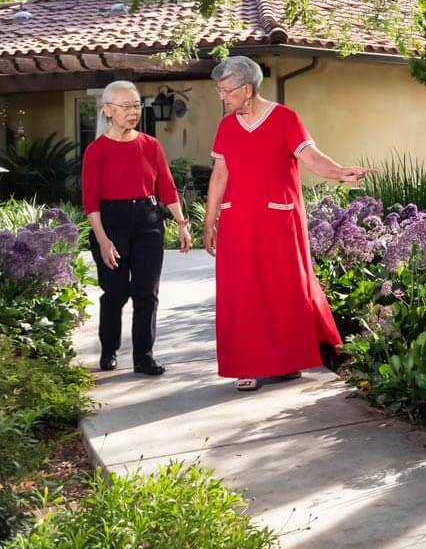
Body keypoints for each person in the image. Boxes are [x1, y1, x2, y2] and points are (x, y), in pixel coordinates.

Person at [203, 56, 365, 391]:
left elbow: (311, 157)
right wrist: (209, 220)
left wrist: (339, 172)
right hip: (238, 221)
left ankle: (287, 361)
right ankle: (244, 366)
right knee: (241, 291)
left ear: (247, 89)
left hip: (279, 219)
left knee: (284, 289)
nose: (222, 97)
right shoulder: (226, 126)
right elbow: (220, 175)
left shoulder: (285, 118)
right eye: (219, 90)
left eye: (226, 90)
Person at [81, 80, 192, 375]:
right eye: (126, 106)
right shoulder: (96, 151)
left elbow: (167, 188)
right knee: (116, 293)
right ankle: (109, 350)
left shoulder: (150, 145)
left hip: (148, 221)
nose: (134, 112)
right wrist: (103, 241)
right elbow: (90, 203)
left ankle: (144, 356)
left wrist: (181, 223)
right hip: (111, 225)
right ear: (107, 110)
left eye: (136, 106)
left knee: (146, 292)